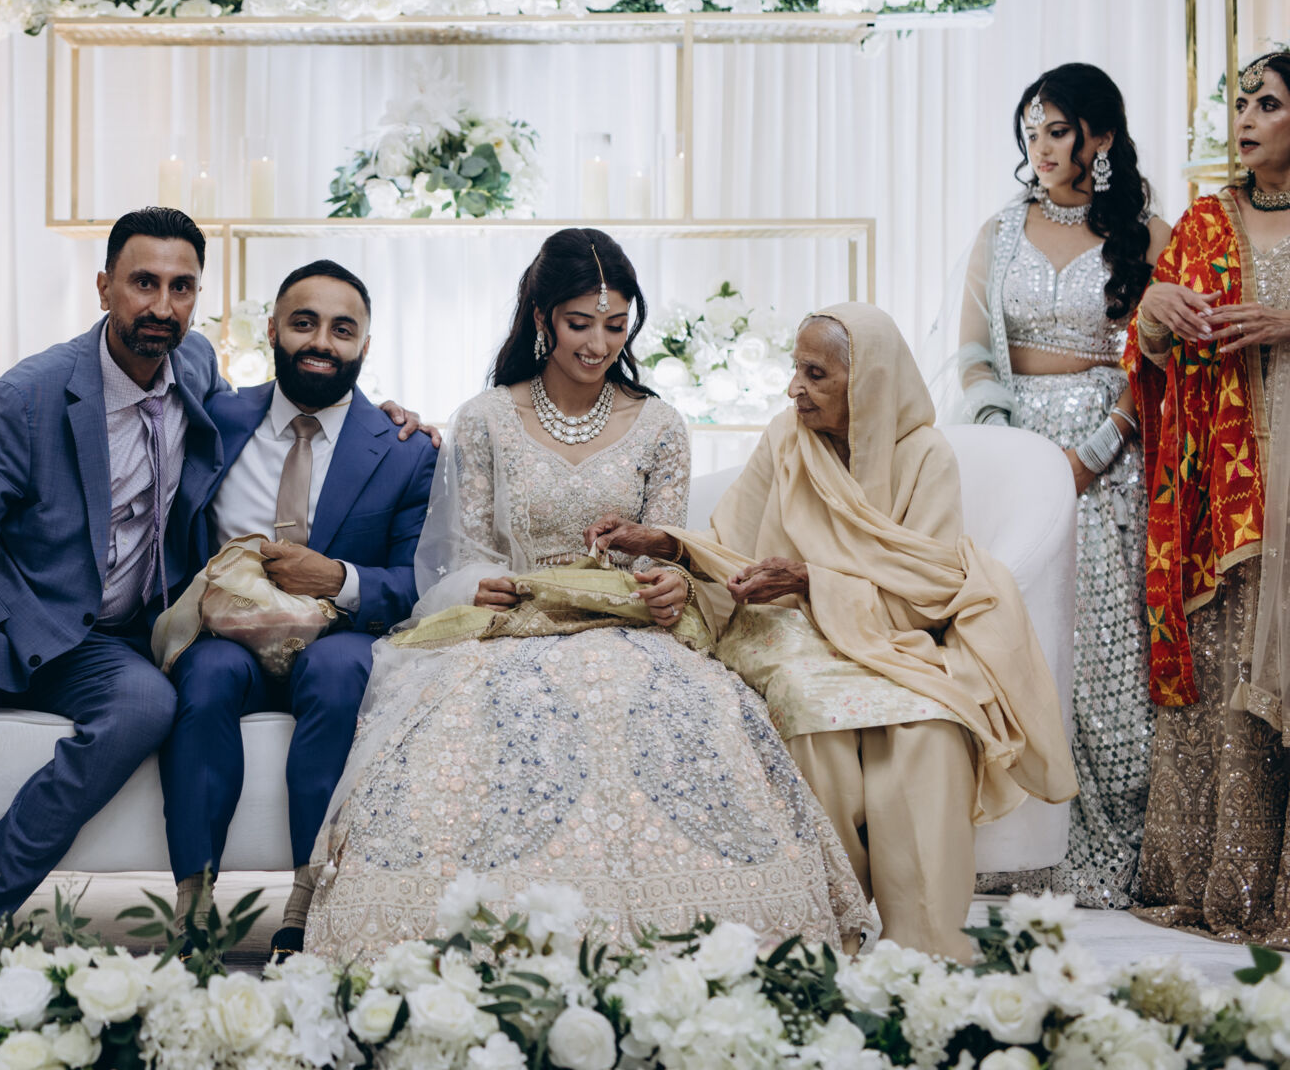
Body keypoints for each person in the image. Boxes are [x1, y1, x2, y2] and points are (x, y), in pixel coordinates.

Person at [305, 230, 869, 963]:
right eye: (580, 323)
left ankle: (700, 935)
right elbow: (456, 556)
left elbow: (670, 551)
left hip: (631, 629)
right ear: (543, 317)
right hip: (508, 626)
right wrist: (480, 584)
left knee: (684, 710)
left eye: (616, 325)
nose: (599, 344)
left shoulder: (660, 425)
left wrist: (670, 582)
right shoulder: (485, 419)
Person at [606, 304, 1076, 961]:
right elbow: (729, 545)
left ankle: (925, 950)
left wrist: (811, 578)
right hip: (787, 631)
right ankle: (829, 936)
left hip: (893, 638)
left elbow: (927, 592)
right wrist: (666, 544)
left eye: (815, 374)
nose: (793, 389)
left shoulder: (926, 457)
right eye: (795, 370)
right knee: (813, 716)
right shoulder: (785, 438)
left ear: (870, 381)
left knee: (933, 729)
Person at [0, 207, 224, 957]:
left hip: (102, 640)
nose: (162, 306)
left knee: (146, 704)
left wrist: (383, 415)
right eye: (143, 283)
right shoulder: (28, 394)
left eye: (181, 287)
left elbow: (269, 413)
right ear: (104, 287)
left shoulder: (196, 366)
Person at [159, 259, 437, 961]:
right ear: (273, 330)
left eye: (343, 329)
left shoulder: (405, 450)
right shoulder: (214, 420)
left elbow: (420, 582)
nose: (321, 342)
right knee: (205, 675)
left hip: (337, 637)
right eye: (304, 323)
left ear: (366, 344)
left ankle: (309, 902)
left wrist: (337, 577)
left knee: (339, 672)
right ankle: (193, 902)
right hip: (230, 635)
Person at [941, 64, 1170, 908]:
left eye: (1059, 130)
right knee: (1016, 631)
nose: (1040, 147)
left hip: (1109, 460)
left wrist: (1097, 450)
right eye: (1031, 130)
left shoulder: (1146, 233)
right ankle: (1010, 836)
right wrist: (1004, 447)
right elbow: (973, 351)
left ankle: (1108, 838)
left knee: (1101, 642)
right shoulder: (1001, 231)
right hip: (1015, 447)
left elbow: (1157, 363)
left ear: (1100, 138)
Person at [1130, 50, 1290, 943]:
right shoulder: (1202, 222)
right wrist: (1156, 312)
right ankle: (1229, 877)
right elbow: (1149, 354)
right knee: (1233, 668)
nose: (1246, 118)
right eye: (1241, 103)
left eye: (1267, 103)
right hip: (1227, 492)